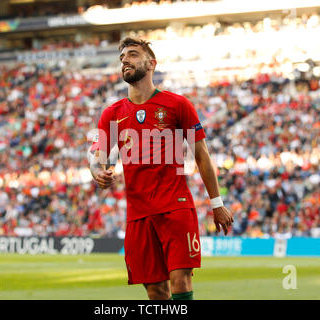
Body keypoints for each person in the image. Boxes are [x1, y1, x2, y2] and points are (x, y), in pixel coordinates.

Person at [88, 37, 233, 300]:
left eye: (132, 54)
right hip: (138, 214)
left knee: (180, 281)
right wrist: (97, 171)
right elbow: (97, 156)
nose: (125, 61)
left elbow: (202, 155)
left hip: (175, 206)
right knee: (156, 291)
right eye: (122, 58)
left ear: (151, 63)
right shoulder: (112, 114)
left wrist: (216, 202)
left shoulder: (178, 105)